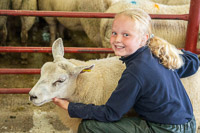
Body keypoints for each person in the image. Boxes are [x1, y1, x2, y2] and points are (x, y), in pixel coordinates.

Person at [53, 8, 199, 133]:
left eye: (126, 35)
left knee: (88, 126)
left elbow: (112, 113)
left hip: (166, 129)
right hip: (189, 123)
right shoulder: (157, 53)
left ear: (144, 39)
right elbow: (193, 62)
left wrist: (70, 107)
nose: (117, 39)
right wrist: (176, 51)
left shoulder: (135, 72)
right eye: (114, 33)